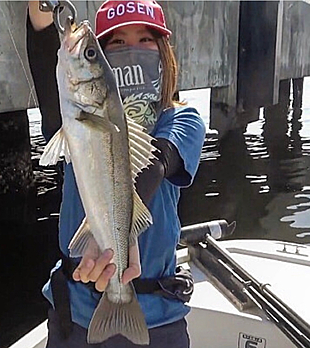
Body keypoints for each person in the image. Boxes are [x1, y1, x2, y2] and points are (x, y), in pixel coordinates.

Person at [27, 1, 206, 347]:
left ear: (164, 53)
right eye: (117, 44)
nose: (133, 50)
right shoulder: (73, 121)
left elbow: (155, 165)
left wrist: (111, 236)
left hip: (158, 319)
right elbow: (41, 36)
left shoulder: (182, 120)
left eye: (146, 39)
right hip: (73, 314)